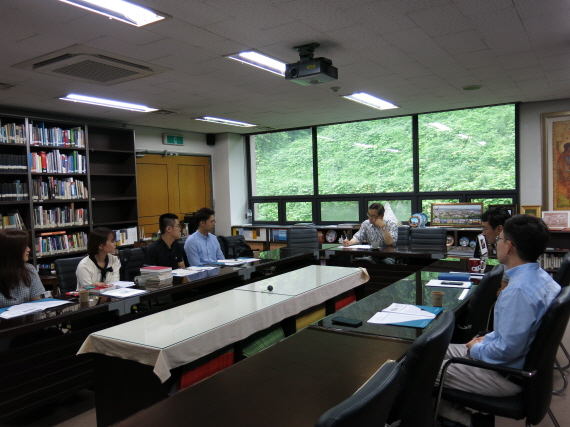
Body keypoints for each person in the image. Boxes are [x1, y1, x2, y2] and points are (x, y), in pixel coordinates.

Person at [437, 215, 561, 427]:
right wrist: (485, 339)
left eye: (500, 239)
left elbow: (506, 351)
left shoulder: (518, 291)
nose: (496, 244)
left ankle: (465, 420)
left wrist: (477, 349)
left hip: (505, 374)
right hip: (519, 366)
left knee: (421, 367)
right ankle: (450, 413)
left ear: (509, 246)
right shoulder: (543, 279)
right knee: (431, 350)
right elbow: (516, 333)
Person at [0, 229, 45, 308]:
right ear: (13, 250)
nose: (28, 249)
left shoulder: (29, 269)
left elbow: (37, 302)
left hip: (27, 314)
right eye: (24, 247)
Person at [480, 207, 511, 294]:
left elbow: (503, 293)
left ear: (499, 229)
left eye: (485, 228)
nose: (483, 233)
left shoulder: (510, 253)